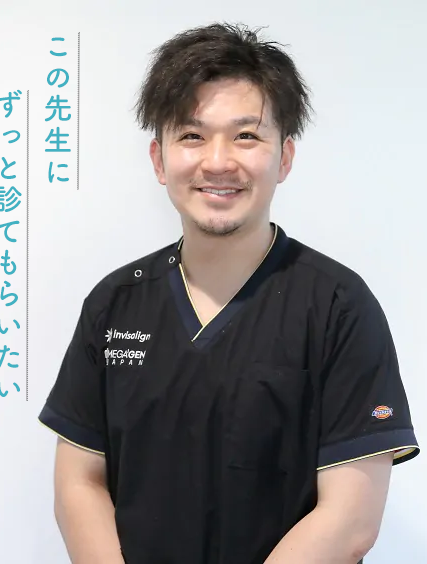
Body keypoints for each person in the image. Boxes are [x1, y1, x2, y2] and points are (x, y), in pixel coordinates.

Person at [38, 22, 420, 564]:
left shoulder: (339, 305)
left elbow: (351, 519)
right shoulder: (114, 303)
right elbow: (78, 482)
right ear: (159, 159)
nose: (217, 161)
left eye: (246, 136)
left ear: (285, 157)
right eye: (192, 136)